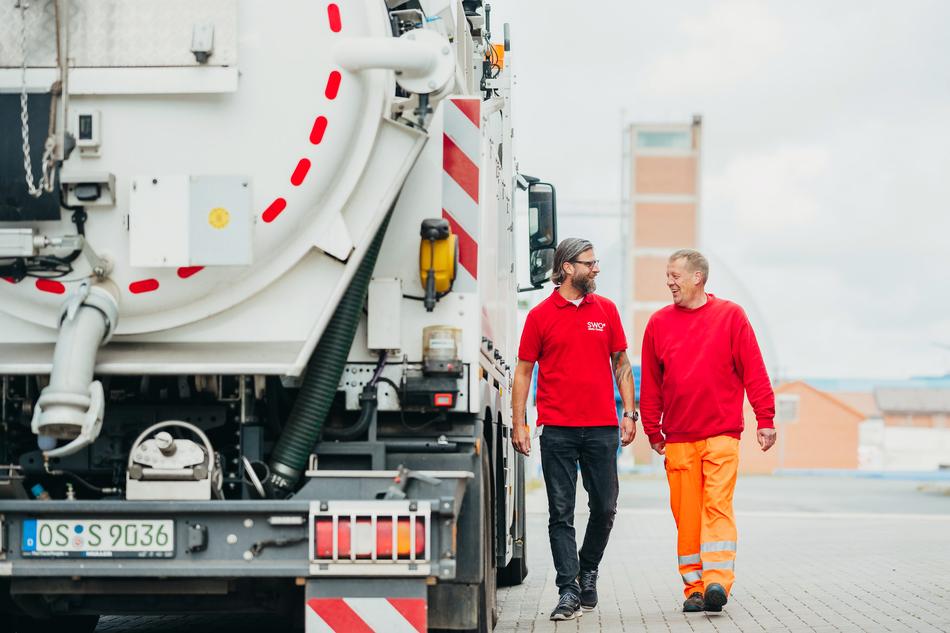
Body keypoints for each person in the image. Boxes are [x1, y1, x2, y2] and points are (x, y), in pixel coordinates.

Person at [640, 249, 777, 614]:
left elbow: (754, 370)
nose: (669, 281)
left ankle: (717, 581)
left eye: (675, 275)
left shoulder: (730, 316)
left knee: (716, 506)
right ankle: (694, 589)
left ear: (697, 277)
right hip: (680, 438)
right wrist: (652, 428)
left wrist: (766, 418)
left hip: (721, 434)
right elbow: (652, 383)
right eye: (667, 275)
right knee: (686, 516)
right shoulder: (657, 324)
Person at [511, 237, 636, 621]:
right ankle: (568, 590)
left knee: (605, 507)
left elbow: (621, 363)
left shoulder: (607, 310)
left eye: (596, 262)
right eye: (589, 262)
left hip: (601, 429)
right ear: (567, 267)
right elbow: (523, 371)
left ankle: (588, 568)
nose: (596, 268)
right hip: (559, 431)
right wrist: (520, 422)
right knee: (560, 513)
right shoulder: (540, 315)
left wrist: (630, 412)